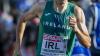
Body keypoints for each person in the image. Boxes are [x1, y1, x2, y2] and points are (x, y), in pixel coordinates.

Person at [14, 0, 91, 56]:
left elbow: (87, 43)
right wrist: (18, 47)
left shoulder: (76, 12)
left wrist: (76, 29)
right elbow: (22, 20)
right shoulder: (42, 7)